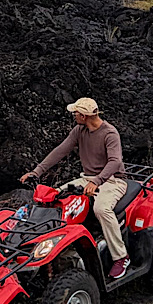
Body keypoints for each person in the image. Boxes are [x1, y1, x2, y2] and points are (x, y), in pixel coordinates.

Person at [19, 97, 131, 279]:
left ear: (85, 115)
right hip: (87, 178)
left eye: (76, 113)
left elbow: (115, 162)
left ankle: (121, 257)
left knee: (101, 209)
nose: (73, 116)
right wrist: (36, 172)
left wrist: (97, 181)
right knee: (55, 198)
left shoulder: (110, 133)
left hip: (112, 180)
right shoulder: (80, 130)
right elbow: (60, 150)